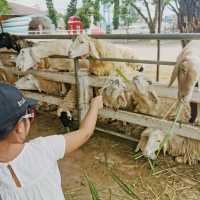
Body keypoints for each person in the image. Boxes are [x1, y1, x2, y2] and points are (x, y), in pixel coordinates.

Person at [0, 83, 103, 200]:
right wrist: (94, 106)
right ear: (20, 128)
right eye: (30, 116)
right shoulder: (44, 149)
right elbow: (85, 132)